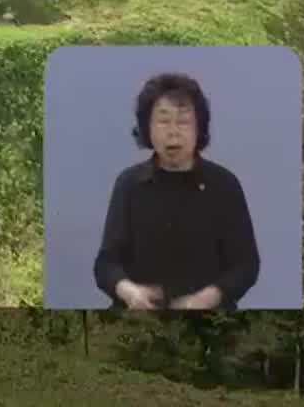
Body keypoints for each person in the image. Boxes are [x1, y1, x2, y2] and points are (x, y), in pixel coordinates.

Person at [93, 72, 259, 309]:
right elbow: (106, 264)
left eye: (183, 122)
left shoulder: (224, 185)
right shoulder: (129, 184)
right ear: (147, 128)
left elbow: (246, 265)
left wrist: (208, 297)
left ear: (198, 129)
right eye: (163, 121)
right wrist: (129, 291)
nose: (173, 131)